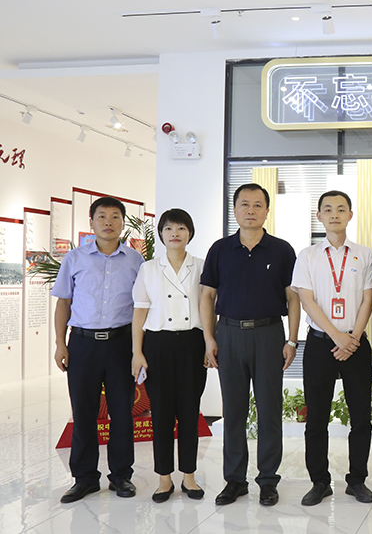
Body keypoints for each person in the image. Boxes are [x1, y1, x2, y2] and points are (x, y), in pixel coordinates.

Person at [200, 183, 299, 507]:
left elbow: (292, 298)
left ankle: (268, 481)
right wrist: (209, 338)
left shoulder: (281, 250)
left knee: (269, 411)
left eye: (258, 205)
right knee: (234, 411)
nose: (251, 210)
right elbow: (207, 296)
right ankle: (235, 480)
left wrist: (292, 340)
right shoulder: (220, 249)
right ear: (235, 210)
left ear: (267, 211)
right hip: (228, 334)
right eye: (245, 204)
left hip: (269, 334)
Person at [52, 196, 145, 503]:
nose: (108, 222)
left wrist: (138, 350)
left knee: (122, 412)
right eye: (102, 216)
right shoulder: (74, 258)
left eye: (115, 216)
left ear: (123, 223)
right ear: (91, 222)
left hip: (121, 344)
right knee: (83, 412)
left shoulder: (135, 261)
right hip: (83, 344)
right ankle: (84, 478)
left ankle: (121, 476)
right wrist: (60, 344)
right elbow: (63, 302)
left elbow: (143, 307)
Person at [291, 190, 372, 506]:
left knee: (361, 417)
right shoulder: (308, 256)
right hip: (319, 344)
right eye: (328, 209)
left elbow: (369, 298)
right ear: (319, 216)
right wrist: (336, 336)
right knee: (316, 418)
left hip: (356, 344)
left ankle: (357, 481)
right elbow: (306, 300)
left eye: (341, 209)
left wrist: (352, 337)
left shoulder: (365, 254)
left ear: (350, 215)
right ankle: (320, 482)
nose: (335, 214)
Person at [130, 208, 207, 503]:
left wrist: (209, 344)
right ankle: (164, 479)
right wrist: (137, 352)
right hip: (158, 345)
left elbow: (209, 309)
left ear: (190, 233)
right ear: (161, 234)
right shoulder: (149, 268)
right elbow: (140, 312)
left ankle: (189, 476)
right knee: (161, 414)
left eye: (181, 228)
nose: (175, 233)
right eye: (169, 228)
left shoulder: (201, 266)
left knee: (189, 412)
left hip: (192, 344)